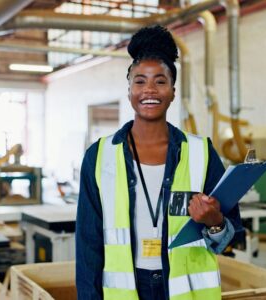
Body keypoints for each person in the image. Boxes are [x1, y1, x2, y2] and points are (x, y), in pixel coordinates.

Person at [76, 25, 243, 300]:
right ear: (129, 90)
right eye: (140, 81)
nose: (149, 90)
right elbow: (87, 244)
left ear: (173, 91)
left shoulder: (201, 153)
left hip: (184, 292)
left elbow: (232, 233)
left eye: (160, 81)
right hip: (126, 291)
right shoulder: (99, 156)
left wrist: (215, 221)